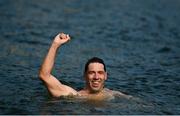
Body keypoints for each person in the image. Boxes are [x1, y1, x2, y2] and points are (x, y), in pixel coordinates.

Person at [39, 32, 131, 101]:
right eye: (91, 73)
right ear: (85, 75)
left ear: (106, 76)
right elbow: (44, 76)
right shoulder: (75, 96)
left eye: (100, 73)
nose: (96, 77)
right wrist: (55, 45)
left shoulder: (112, 94)